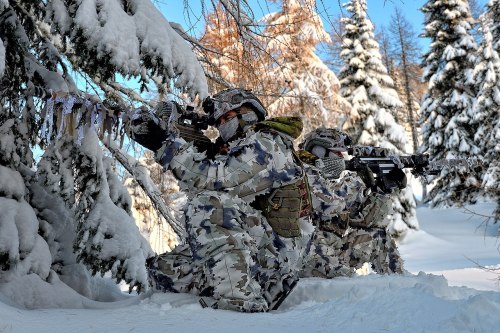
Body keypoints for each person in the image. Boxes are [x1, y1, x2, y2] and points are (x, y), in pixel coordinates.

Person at [131, 88, 314, 312]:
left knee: (208, 206)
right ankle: (238, 286)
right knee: (164, 270)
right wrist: (180, 139)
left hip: (276, 254)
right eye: (219, 122)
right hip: (255, 246)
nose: (222, 125)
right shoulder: (236, 150)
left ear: (248, 113)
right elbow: (200, 181)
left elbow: (215, 179)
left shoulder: (267, 143)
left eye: (228, 117)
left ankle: (239, 303)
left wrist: (165, 145)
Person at [296, 127, 405, 278]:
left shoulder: (328, 183)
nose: (341, 158)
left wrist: (381, 191)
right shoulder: (301, 173)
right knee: (349, 283)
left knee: (379, 238)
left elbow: (365, 221)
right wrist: (360, 180)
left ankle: (402, 287)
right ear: (319, 151)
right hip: (308, 256)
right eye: (337, 153)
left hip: (332, 251)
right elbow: (331, 204)